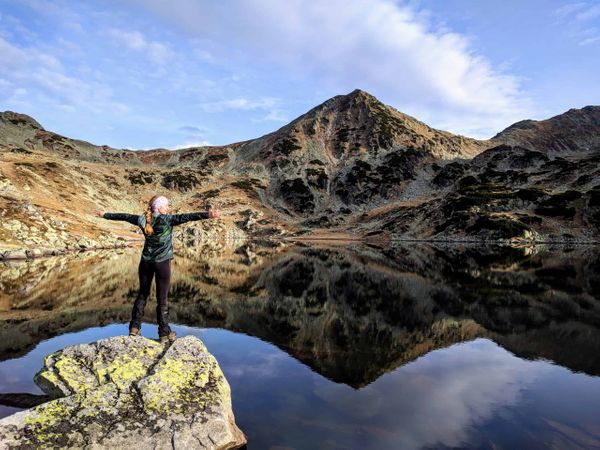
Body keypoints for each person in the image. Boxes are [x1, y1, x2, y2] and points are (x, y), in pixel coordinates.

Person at [95, 195, 221, 344]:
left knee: (143, 294)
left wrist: (105, 215)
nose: (168, 208)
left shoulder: (142, 219)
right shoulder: (167, 219)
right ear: (159, 207)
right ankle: (164, 332)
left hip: (146, 263)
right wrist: (209, 215)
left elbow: (124, 216)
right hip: (162, 264)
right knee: (162, 299)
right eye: (166, 206)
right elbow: (189, 217)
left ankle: (134, 327)